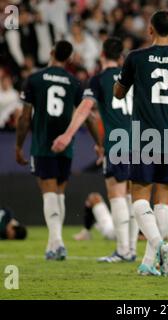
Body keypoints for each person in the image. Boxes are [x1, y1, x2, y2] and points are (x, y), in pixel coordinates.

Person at [114, 10, 168, 276]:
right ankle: (150, 261)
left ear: (150, 30)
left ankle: (158, 247)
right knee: (164, 200)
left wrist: (125, 80)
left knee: (138, 195)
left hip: (143, 135)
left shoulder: (135, 58)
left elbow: (119, 93)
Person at [52, 37, 138, 262]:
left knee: (117, 195)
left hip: (118, 141)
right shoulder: (134, 78)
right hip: (142, 141)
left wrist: (67, 135)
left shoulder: (98, 80)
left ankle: (123, 250)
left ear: (102, 55)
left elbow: (85, 109)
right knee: (135, 195)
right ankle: (132, 250)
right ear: (121, 57)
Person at [16, 40, 103, 261]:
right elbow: (89, 116)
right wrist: (99, 143)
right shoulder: (74, 82)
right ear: (70, 58)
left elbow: (25, 117)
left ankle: (58, 243)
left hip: (43, 143)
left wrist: (18, 145)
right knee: (59, 193)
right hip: (65, 145)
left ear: (51, 52)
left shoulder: (34, 79)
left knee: (49, 192)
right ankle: (53, 244)